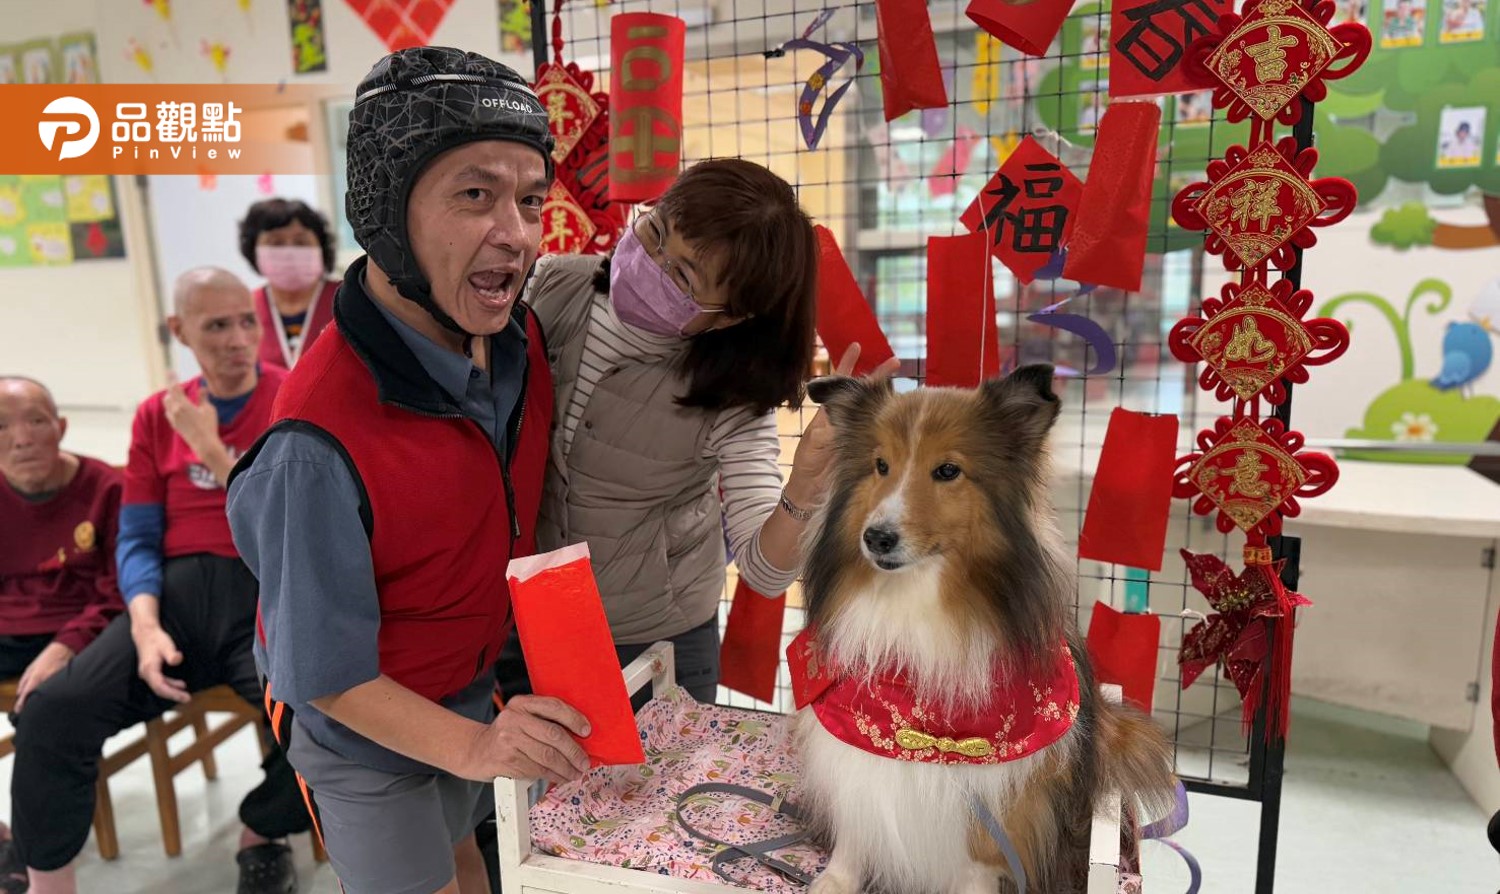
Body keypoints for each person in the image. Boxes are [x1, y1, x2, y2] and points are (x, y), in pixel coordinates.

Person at [227, 47, 589, 894]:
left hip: (465, 681)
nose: (517, 233)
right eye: (475, 195)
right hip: (359, 726)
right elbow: (326, 676)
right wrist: (479, 746)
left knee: (465, 862)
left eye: (530, 200)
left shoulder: (517, 341)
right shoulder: (316, 443)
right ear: (388, 215)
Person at [495, 157, 896, 706]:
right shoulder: (553, 286)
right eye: (656, 231)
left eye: (683, 276)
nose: (652, 262)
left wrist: (807, 482)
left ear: (730, 316)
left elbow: (764, 572)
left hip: (652, 641)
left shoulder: (734, 398)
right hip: (529, 618)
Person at [10, 268, 310, 894]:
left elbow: (293, 527)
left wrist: (211, 448)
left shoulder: (293, 396)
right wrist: (144, 628)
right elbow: (138, 537)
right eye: (217, 325)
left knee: (321, 719)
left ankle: (261, 831)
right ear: (180, 330)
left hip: (262, 595)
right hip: (169, 602)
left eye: (246, 322)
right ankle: (47, 882)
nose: (237, 339)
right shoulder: (157, 414)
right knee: (51, 711)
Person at [0, 376, 124, 891]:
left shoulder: (106, 488)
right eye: (2, 427)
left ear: (61, 427)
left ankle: (36, 863)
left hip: (84, 631)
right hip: (9, 629)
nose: (21, 439)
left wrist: (65, 646)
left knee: (48, 710)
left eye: (36, 421)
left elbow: (120, 590)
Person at [239, 198, 339, 370]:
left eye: (301, 242)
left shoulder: (350, 298)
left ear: (321, 247)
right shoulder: (244, 309)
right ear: (254, 250)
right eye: (276, 243)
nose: (289, 252)